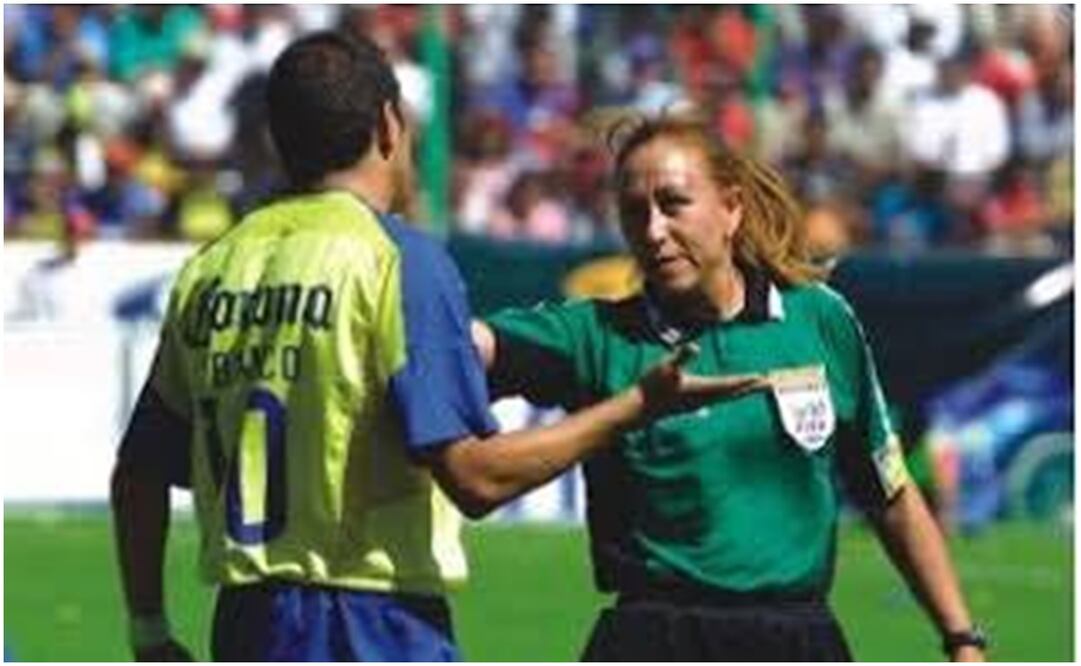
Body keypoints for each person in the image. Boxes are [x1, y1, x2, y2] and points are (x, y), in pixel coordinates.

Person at [109, 32, 764, 662]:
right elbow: (477, 480)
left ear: (279, 142)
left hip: (246, 625)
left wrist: (148, 630)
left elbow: (138, 472)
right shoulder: (395, 260)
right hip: (371, 625)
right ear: (390, 126)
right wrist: (632, 406)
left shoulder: (212, 268)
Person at [473, 115, 987, 662]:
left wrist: (962, 639)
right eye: (633, 211)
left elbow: (891, 495)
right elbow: (466, 346)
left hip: (798, 640)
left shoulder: (820, 321)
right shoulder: (596, 336)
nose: (652, 231)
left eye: (673, 204)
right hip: (652, 638)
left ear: (731, 209)